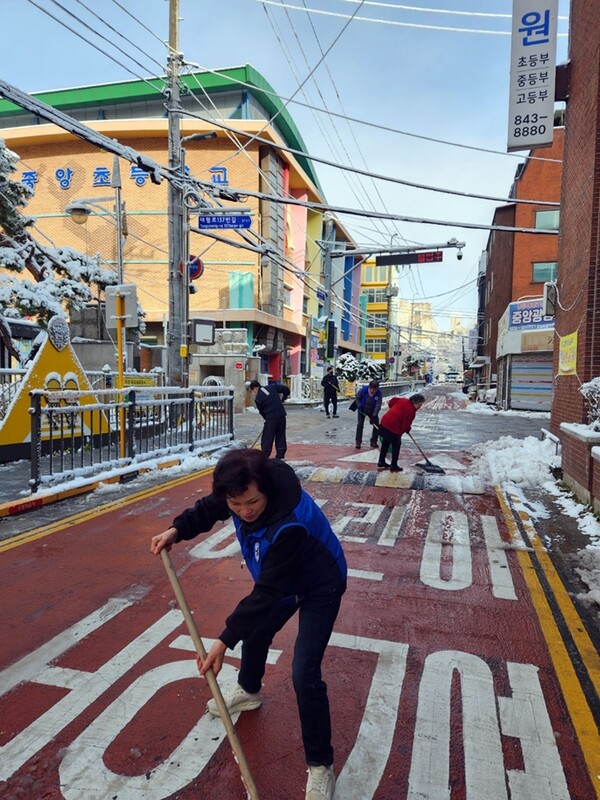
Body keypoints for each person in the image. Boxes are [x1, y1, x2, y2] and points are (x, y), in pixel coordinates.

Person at [150, 448, 347, 800]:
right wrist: (177, 530)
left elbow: (268, 593)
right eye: (236, 505)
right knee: (256, 632)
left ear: (266, 488)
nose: (244, 511)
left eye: (252, 502)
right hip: (280, 580)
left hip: (319, 584)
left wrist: (224, 641)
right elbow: (210, 508)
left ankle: (321, 766)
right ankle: (249, 690)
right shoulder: (235, 493)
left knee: (304, 673)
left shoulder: (290, 524)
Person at [377, 392, 425, 472]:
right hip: (393, 427)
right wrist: (400, 434)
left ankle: (381, 461)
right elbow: (405, 426)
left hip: (384, 422)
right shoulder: (411, 411)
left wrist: (394, 411)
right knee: (396, 444)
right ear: (417, 403)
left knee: (386, 443)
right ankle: (394, 465)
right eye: (420, 404)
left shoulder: (403, 400)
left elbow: (392, 401)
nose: (420, 406)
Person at [248, 379, 290, 459]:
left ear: (256, 388)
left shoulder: (258, 399)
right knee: (280, 435)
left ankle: (265, 455)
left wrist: (267, 419)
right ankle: (280, 455)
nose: (253, 392)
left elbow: (262, 411)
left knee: (267, 437)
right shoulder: (272, 387)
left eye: (252, 390)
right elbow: (285, 389)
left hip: (271, 418)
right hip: (281, 415)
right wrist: (285, 396)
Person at [354, 379, 382, 449]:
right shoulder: (363, 390)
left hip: (372, 411)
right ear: (369, 387)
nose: (372, 391)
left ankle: (373, 441)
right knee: (360, 425)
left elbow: (378, 404)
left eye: (374, 390)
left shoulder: (379, 393)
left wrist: (374, 415)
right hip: (362, 410)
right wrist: (359, 405)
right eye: (371, 389)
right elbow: (357, 398)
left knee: (376, 425)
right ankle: (358, 441)